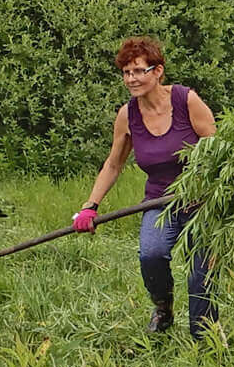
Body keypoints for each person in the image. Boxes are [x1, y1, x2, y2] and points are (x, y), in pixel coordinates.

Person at [72, 36, 218, 337]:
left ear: (158, 71)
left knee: (200, 274)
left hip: (201, 201)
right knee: (151, 254)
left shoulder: (185, 100)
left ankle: (206, 341)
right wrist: (90, 206)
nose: (131, 78)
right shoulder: (128, 115)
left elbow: (216, 149)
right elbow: (113, 164)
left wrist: (207, 185)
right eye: (126, 72)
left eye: (139, 70)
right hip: (158, 202)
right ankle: (163, 308)